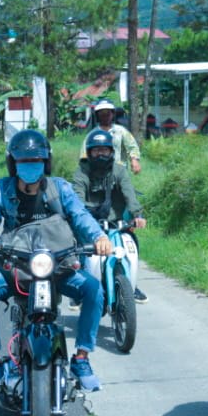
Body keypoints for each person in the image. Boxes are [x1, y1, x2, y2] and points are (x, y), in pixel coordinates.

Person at [0, 130, 112, 394]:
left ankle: (82, 357)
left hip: (58, 266)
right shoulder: (0, 189)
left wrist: (99, 237)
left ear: (46, 162)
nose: (30, 165)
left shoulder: (61, 188)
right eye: (24, 161)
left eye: (36, 160)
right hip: (15, 267)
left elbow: (80, 216)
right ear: (13, 163)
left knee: (93, 289)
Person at [71, 128, 149, 303]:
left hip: (116, 222)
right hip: (90, 222)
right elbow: (77, 200)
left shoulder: (119, 170)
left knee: (131, 242)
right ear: (89, 153)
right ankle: (79, 284)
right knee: (77, 246)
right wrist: (82, 219)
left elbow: (129, 194)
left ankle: (132, 283)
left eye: (104, 150)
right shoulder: (81, 172)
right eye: (96, 151)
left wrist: (138, 215)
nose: (100, 154)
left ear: (111, 152)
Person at [91, 99, 142, 174]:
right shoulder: (93, 134)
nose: (105, 115)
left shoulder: (121, 131)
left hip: (119, 172)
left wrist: (134, 160)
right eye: (102, 113)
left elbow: (132, 147)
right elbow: (85, 154)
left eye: (108, 112)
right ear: (97, 115)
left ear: (112, 114)